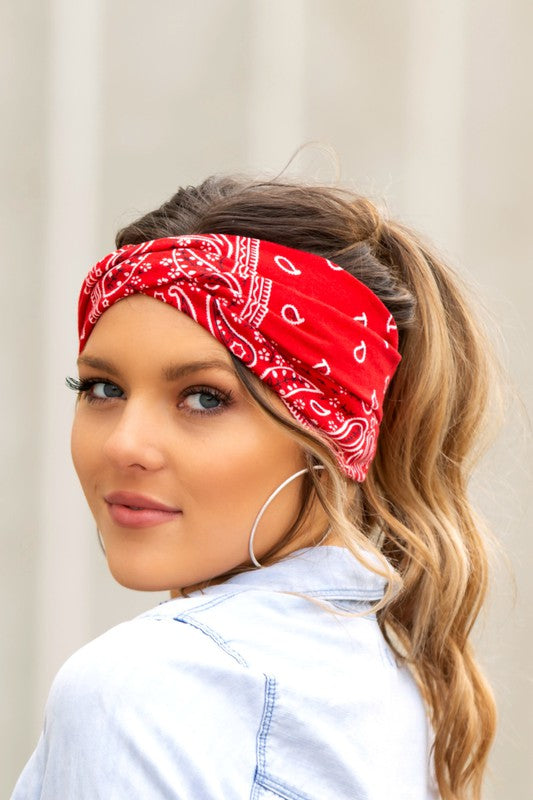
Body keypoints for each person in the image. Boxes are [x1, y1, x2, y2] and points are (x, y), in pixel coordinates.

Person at [11, 176, 498, 800]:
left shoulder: (144, 686)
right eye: (102, 388)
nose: (123, 445)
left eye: (205, 397)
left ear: (334, 430)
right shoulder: (397, 676)